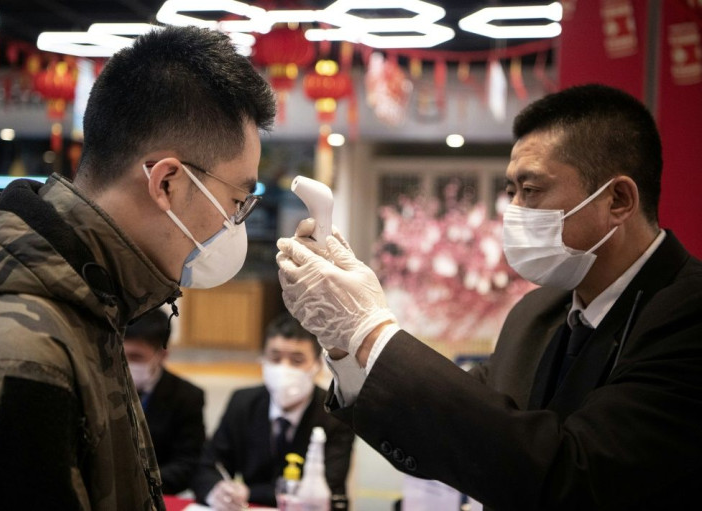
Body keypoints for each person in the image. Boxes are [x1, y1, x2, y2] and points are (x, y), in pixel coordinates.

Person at [276, 84, 702, 510]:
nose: (513, 209)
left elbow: (572, 474)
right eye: (511, 190)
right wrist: (342, 341)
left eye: (531, 190)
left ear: (619, 199)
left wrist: (370, 331)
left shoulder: (687, 313)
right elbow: (459, 438)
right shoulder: (538, 313)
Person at [0, 26, 275, 510]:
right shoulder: (21, 351)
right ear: (167, 182)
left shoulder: (91, 296)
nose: (234, 223)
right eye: (236, 200)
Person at [191, 312, 355, 510]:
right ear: (263, 359)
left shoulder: (336, 414)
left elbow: (328, 485)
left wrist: (250, 492)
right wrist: (217, 490)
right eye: (275, 358)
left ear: (317, 366)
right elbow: (208, 465)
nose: (283, 369)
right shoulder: (243, 403)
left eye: (296, 360)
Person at [124, 308, 205, 495]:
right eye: (121, 355)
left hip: (157, 493)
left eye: (136, 357)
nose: (125, 365)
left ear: (162, 355)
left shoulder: (187, 396)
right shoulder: (100, 387)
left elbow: (188, 463)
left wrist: (139, 484)